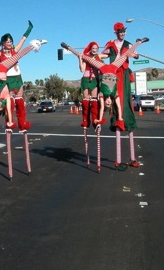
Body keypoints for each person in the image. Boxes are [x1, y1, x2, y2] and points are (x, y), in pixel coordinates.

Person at [62, 34, 148, 170]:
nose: (108, 104)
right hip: (111, 68)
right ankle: (68, 47)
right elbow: (116, 110)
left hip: (106, 68)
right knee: (85, 56)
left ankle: (140, 41)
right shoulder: (114, 96)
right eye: (109, 104)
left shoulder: (102, 95)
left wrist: (100, 120)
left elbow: (102, 111)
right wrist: (109, 119)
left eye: (108, 104)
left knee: (121, 55)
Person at [102, 22, 141, 168]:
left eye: (124, 31)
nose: (122, 34)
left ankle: (132, 158)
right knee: (110, 99)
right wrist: (90, 55)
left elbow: (135, 55)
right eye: (120, 32)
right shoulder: (110, 45)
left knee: (125, 104)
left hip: (123, 75)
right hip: (111, 74)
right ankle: (118, 159)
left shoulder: (128, 44)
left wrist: (134, 53)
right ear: (116, 32)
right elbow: (102, 55)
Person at [0, 21, 33, 131]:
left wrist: (29, 29)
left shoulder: (15, 50)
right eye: (7, 41)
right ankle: (9, 123)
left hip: (18, 78)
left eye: (11, 41)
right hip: (7, 80)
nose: (10, 43)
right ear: (3, 43)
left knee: (20, 102)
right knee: (9, 103)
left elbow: (23, 40)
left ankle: (22, 124)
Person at [78, 41, 105, 128]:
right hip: (86, 79)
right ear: (90, 49)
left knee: (94, 100)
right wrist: (80, 58)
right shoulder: (86, 57)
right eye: (93, 48)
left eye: (96, 48)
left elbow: (109, 54)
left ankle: (94, 119)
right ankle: (85, 120)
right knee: (85, 100)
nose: (95, 50)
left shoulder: (99, 56)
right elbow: (82, 69)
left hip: (94, 80)